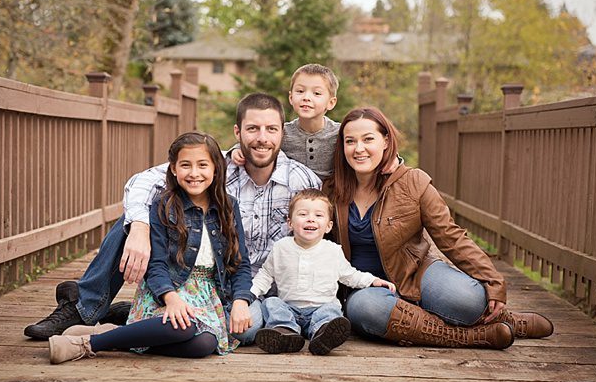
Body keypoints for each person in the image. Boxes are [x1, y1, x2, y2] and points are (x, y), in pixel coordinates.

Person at [24, 93, 321, 343]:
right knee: (133, 220)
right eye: (253, 129)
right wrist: (140, 228)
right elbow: (141, 183)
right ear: (237, 132)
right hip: (189, 277)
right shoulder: (215, 168)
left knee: (243, 332)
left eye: (271, 129)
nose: (262, 139)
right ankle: (84, 306)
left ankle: (129, 312)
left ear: (283, 132)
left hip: (249, 289)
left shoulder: (302, 181)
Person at [326, 107, 554, 349]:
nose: (358, 148)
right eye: (350, 141)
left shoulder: (413, 182)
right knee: (363, 309)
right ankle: (474, 336)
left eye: (368, 139)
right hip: (364, 286)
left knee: (467, 301)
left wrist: (494, 281)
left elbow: (450, 235)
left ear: (386, 141)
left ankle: (502, 319)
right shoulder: (330, 191)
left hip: (415, 273)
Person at [48, 132, 254, 363]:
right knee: (183, 328)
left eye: (203, 165)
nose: (194, 173)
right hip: (166, 291)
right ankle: (85, 344)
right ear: (174, 169)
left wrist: (240, 301)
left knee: (204, 344)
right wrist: (171, 299)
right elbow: (155, 266)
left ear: (216, 168)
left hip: (208, 297)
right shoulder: (163, 206)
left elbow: (240, 263)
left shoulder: (228, 207)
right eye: (186, 165)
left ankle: (116, 336)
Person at [251, 189, 396, 355]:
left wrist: (373, 281)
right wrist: (250, 294)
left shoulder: (332, 250)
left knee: (332, 309)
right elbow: (265, 275)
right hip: (289, 309)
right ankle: (285, 332)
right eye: (303, 214)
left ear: (328, 226)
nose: (311, 218)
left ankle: (323, 333)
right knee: (271, 303)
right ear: (289, 223)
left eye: (318, 215)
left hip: (320, 308)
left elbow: (350, 275)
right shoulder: (281, 248)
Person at [233, 64, 340, 182]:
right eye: (300, 91)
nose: (306, 97)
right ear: (291, 97)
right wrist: (236, 150)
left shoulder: (339, 134)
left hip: (331, 196)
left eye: (317, 93)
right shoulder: (282, 133)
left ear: (331, 102)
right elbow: (255, 142)